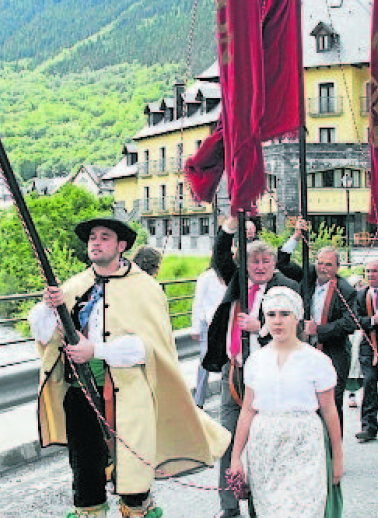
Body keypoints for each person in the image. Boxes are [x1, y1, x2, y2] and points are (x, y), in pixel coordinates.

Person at [31, 217, 229, 518]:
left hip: (128, 395)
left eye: (105, 237)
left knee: (133, 482)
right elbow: (44, 335)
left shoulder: (144, 288)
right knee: (85, 476)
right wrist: (48, 306)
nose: (96, 243)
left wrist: (95, 350)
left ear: (121, 246)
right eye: (92, 238)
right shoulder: (74, 286)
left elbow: (147, 348)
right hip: (79, 392)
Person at [205, 216, 301, 518]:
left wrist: (261, 327)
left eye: (266, 261)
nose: (260, 267)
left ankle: (263, 503)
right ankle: (229, 505)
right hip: (234, 370)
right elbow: (219, 254)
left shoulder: (288, 287)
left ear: (274, 264)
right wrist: (231, 225)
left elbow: (298, 331)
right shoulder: (236, 278)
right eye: (254, 261)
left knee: (263, 440)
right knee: (228, 438)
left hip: (270, 374)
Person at [227, 287, 345, 518]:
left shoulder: (316, 361)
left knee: (303, 510)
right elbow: (248, 410)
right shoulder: (256, 360)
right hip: (264, 446)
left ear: (297, 317)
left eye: (284, 314)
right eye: (271, 314)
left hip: (305, 445)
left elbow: (330, 411)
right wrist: (236, 456)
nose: (277, 321)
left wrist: (338, 458)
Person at [279, 243, 363, 432]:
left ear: (337, 268)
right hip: (305, 350)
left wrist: (320, 329)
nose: (323, 268)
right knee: (305, 401)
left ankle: (335, 453)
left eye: (328, 265)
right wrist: (295, 237)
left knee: (331, 403)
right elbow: (283, 262)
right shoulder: (309, 276)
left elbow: (351, 323)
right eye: (320, 263)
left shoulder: (345, 289)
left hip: (334, 352)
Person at [352, 258, 378, 443]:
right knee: (369, 382)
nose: (370, 275)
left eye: (375, 271)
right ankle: (368, 426)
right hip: (369, 342)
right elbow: (354, 319)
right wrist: (372, 321)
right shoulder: (361, 295)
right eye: (368, 271)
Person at [191, 261, 227, 408]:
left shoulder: (230, 276)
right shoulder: (206, 278)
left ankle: (228, 397)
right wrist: (196, 327)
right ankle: (199, 400)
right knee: (204, 360)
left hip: (226, 322)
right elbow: (198, 302)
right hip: (209, 323)